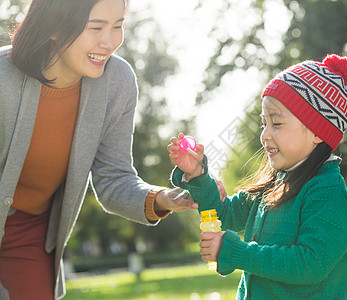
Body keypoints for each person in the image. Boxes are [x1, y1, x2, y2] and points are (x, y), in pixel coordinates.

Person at [0, 0, 198, 299]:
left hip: (30, 232)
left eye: (118, 26)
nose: (109, 42)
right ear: (54, 25)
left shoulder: (117, 82)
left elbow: (113, 179)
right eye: (96, 27)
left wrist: (165, 198)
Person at [168, 54, 347, 299]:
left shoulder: (328, 194)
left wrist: (236, 252)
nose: (265, 135)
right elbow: (222, 216)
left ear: (317, 131)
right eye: (264, 123)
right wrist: (197, 175)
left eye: (277, 123)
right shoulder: (273, 186)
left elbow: (309, 265)